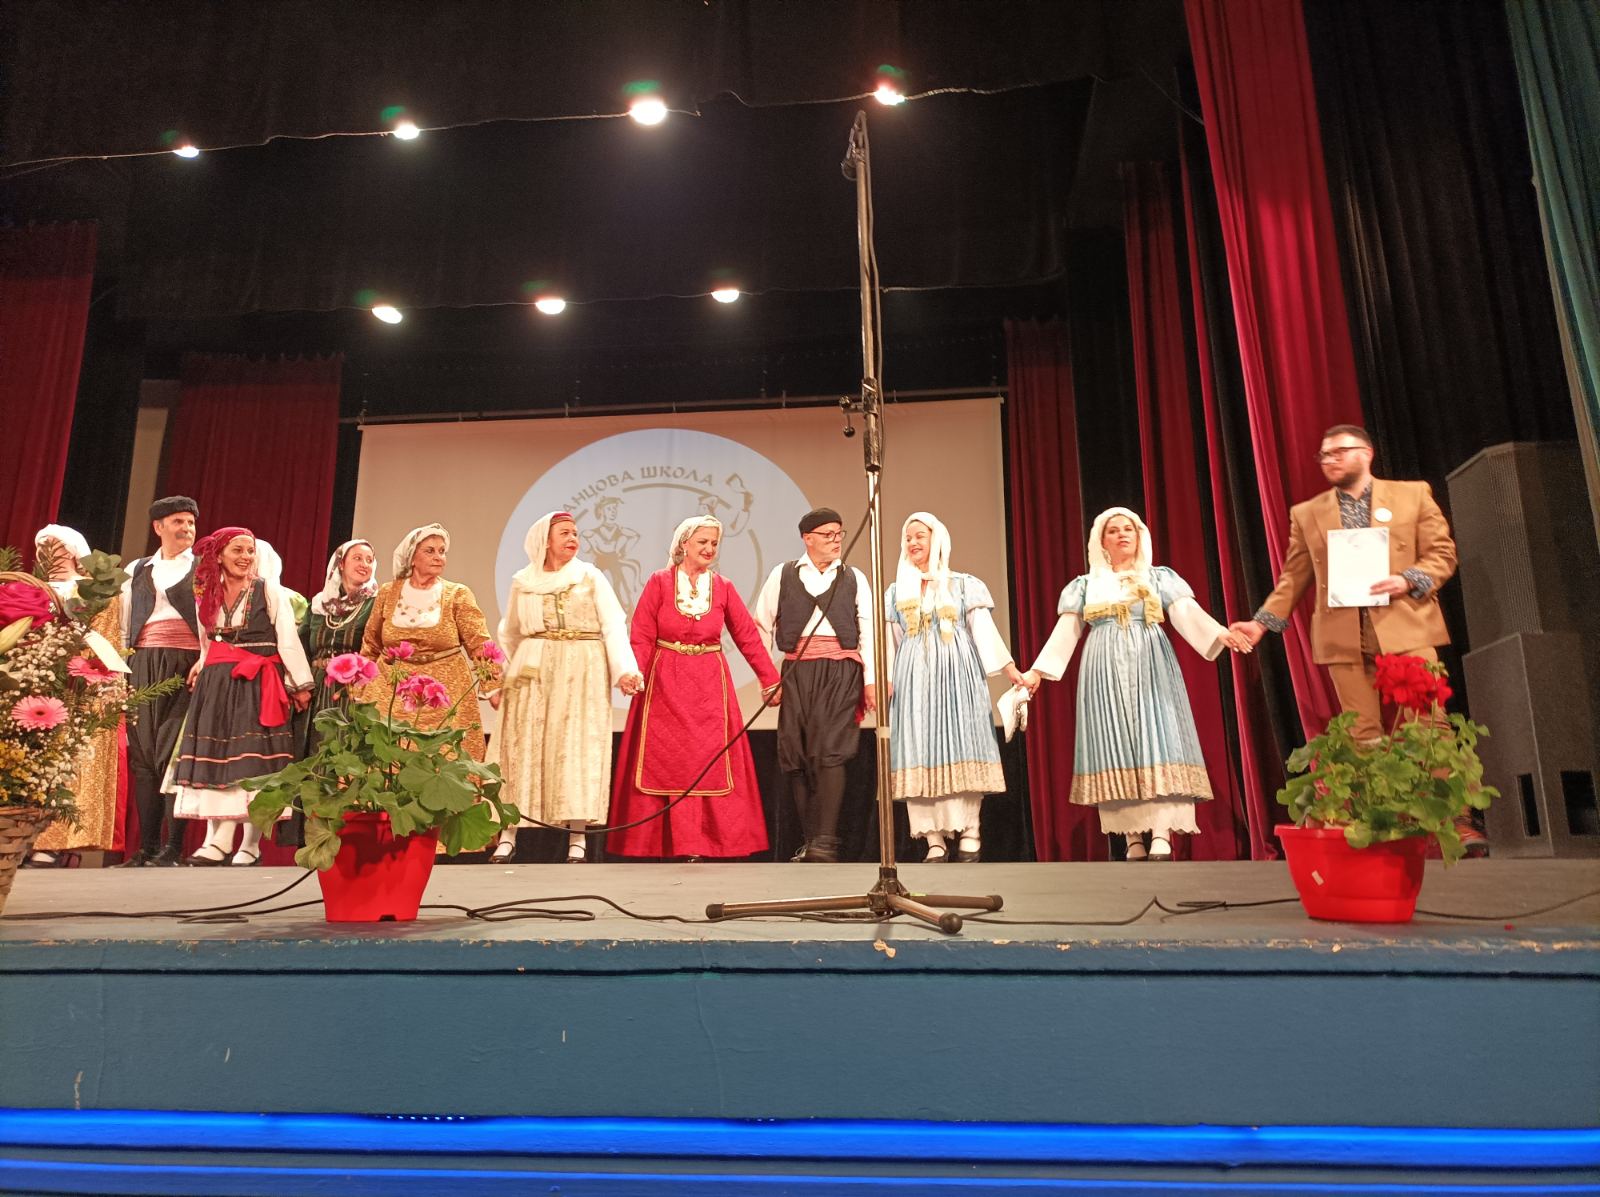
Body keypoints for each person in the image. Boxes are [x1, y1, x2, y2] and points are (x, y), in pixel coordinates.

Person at [1227, 423, 1485, 855]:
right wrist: (1261, 624)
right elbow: (1293, 577)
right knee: (1362, 734)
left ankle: (1454, 821)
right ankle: (1380, 824)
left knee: (1429, 726)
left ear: (1366, 453)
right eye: (1324, 455)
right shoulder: (1308, 513)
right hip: (1344, 634)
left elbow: (1442, 553)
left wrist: (1409, 579)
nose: (1331, 461)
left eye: (1340, 452)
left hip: (1406, 628)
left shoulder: (1412, 495)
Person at [1023, 508, 1248, 861]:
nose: (1122, 534)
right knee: (1114, 742)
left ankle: (1160, 831)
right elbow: (1066, 632)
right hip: (1103, 666)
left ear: (1140, 535)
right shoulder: (1086, 585)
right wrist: (1037, 672)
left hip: (1150, 662)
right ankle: (1131, 836)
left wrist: (1221, 634)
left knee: (1157, 736)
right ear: (1102, 541)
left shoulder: (1158, 578)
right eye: (1113, 530)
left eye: (1128, 528)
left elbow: (1187, 613)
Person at [608, 516, 781, 860]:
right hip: (664, 682)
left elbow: (747, 636)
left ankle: (703, 844)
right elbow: (642, 634)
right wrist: (634, 673)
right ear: (684, 544)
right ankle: (664, 843)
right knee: (666, 760)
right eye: (702, 542)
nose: (709, 549)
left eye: (714, 543)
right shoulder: (659, 582)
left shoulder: (723, 587)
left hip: (708, 684)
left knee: (708, 760)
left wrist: (769, 678)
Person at [488, 511, 642, 863]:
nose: (573, 539)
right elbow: (509, 633)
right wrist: (508, 676)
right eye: (565, 533)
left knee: (576, 747)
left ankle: (578, 838)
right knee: (522, 748)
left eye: (575, 533)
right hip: (533, 667)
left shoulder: (589, 576)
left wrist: (624, 670)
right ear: (545, 540)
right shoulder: (523, 581)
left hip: (582, 667)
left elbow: (613, 624)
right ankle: (508, 835)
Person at [885, 513, 1029, 863]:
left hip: (957, 679)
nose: (913, 542)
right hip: (914, 683)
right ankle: (933, 839)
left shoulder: (963, 585)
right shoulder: (897, 592)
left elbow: (984, 632)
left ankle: (970, 829)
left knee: (962, 744)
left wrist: (1010, 669)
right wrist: (887, 681)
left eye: (920, 535)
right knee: (919, 751)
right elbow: (892, 642)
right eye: (908, 537)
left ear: (937, 539)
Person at [170, 528, 314, 865]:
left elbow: (287, 637)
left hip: (258, 681)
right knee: (219, 758)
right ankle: (219, 841)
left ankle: (248, 844)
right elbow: (207, 639)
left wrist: (299, 683)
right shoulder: (206, 593)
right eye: (238, 550)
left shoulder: (267, 590)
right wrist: (203, 664)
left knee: (252, 760)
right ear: (219, 555)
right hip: (218, 683)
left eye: (250, 551)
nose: (246, 556)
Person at [753, 506, 876, 863]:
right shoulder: (783, 574)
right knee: (797, 755)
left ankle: (826, 842)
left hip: (840, 670)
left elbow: (868, 632)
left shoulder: (854, 578)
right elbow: (760, 627)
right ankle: (811, 842)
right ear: (807, 538)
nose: (836, 541)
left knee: (830, 750)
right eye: (827, 535)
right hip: (796, 672)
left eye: (839, 534)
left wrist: (870, 681)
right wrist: (768, 679)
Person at [359, 524, 500, 760]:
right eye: (430, 551)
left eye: (442, 551)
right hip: (392, 690)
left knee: (443, 760)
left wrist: (493, 687)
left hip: (445, 691)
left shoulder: (457, 594)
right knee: (387, 757)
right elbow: (371, 643)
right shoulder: (388, 592)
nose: (438, 557)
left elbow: (479, 643)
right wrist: (360, 686)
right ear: (412, 557)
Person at [25, 526, 123, 867]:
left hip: (77, 686)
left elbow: (105, 638)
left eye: (53, 546)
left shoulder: (94, 591)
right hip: (33, 684)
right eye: (41, 546)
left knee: (69, 765)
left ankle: (54, 842)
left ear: (71, 551)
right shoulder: (31, 589)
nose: (46, 552)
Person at [116, 495, 202, 866]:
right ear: (158, 527)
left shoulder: (201, 568)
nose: (187, 528)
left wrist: (205, 659)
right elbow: (125, 622)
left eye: (190, 522)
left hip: (186, 663)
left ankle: (173, 847)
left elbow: (209, 618)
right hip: (142, 661)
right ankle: (148, 846)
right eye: (179, 521)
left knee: (174, 753)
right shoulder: (138, 569)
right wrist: (122, 668)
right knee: (144, 756)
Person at [298, 539, 378, 751]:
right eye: (358, 558)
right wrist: (300, 685)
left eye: (369, 560)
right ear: (341, 564)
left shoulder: (375, 604)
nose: (364, 564)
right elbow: (301, 646)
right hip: (316, 685)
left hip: (352, 689)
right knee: (313, 748)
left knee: (343, 748)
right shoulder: (319, 604)